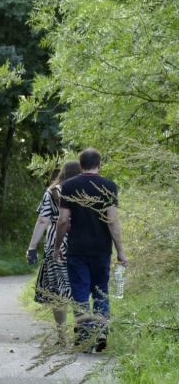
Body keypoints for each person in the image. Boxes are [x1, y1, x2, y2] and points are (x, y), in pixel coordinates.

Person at [54, 148, 128, 352]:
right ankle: (101, 329)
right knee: (100, 291)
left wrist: (57, 247)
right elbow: (112, 221)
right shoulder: (109, 186)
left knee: (80, 292)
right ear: (99, 164)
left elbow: (63, 220)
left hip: (77, 250)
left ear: (81, 164)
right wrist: (120, 251)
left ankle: (85, 335)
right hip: (101, 249)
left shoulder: (69, 186)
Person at [26, 160, 82, 343]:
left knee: (59, 291)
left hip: (56, 244)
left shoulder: (52, 192)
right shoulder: (84, 189)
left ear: (62, 173)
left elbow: (43, 220)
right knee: (78, 288)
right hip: (80, 243)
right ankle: (81, 332)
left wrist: (32, 247)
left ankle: (62, 335)